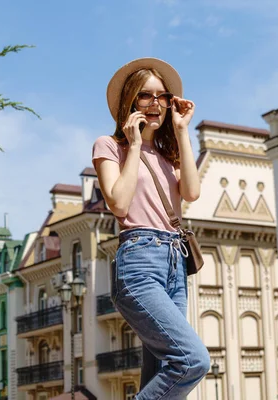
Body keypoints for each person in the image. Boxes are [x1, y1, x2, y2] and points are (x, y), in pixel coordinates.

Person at [92, 57, 210, 399]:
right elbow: (119, 203)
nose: (155, 103)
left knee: (163, 370)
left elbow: (191, 192)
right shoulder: (109, 146)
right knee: (191, 361)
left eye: (162, 96)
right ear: (130, 101)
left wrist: (183, 130)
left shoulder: (167, 154)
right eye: (145, 96)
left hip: (175, 264)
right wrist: (135, 145)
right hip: (139, 263)